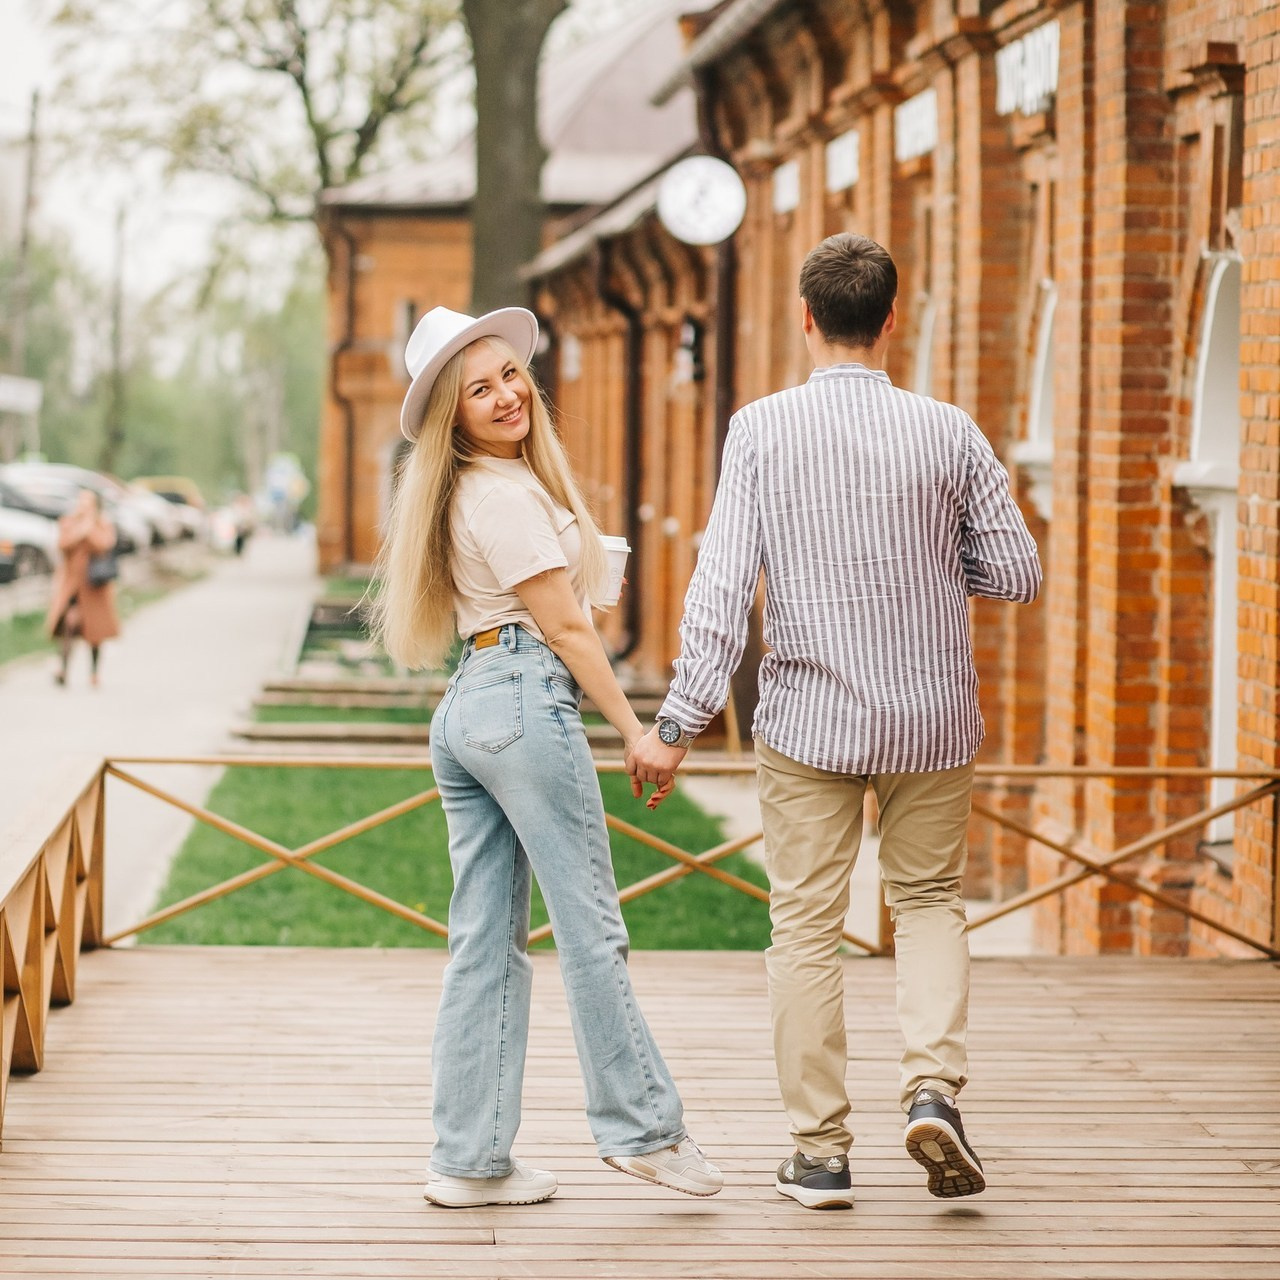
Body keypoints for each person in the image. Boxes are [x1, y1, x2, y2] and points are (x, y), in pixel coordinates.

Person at [630, 233, 1042, 1208]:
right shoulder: (947, 431)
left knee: (804, 927)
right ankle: (931, 1085)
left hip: (809, 719)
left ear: (805, 318)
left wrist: (677, 722)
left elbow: (722, 590)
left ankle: (818, 1151)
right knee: (931, 897)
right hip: (929, 720)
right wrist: (940, 569)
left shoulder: (760, 429)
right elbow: (1018, 570)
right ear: (890, 320)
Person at [370, 305, 723, 1209]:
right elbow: (563, 625)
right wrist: (637, 729)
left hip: (471, 705)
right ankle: (643, 1131)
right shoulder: (503, 494)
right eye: (478, 389)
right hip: (525, 698)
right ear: (452, 414)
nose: (504, 396)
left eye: (508, 376)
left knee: (484, 941)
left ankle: (469, 1159)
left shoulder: (473, 492)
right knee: (590, 926)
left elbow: (551, 599)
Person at [46, 488, 120, 688]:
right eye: (81, 502)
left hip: (95, 587)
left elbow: (104, 545)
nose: (83, 507)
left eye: (88, 503)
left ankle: (94, 673)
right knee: (70, 624)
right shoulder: (68, 522)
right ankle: (63, 669)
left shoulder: (103, 525)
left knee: (95, 633)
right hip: (72, 586)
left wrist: (90, 528)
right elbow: (63, 545)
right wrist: (81, 530)